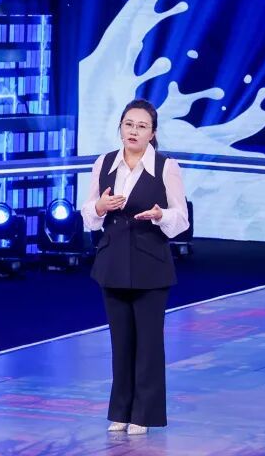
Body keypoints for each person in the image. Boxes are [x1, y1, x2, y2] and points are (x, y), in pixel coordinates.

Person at [80, 98, 190, 435]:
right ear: (120, 128)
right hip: (112, 262)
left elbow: (181, 218)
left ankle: (144, 413)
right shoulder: (104, 163)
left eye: (142, 126)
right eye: (129, 124)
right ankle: (121, 411)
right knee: (121, 341)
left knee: (149, 343)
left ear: (152, 133)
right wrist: (100, 206)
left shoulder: (166, 167)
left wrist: (160, 215)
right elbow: (89, 216)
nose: (134, 131)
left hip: (150, 265)